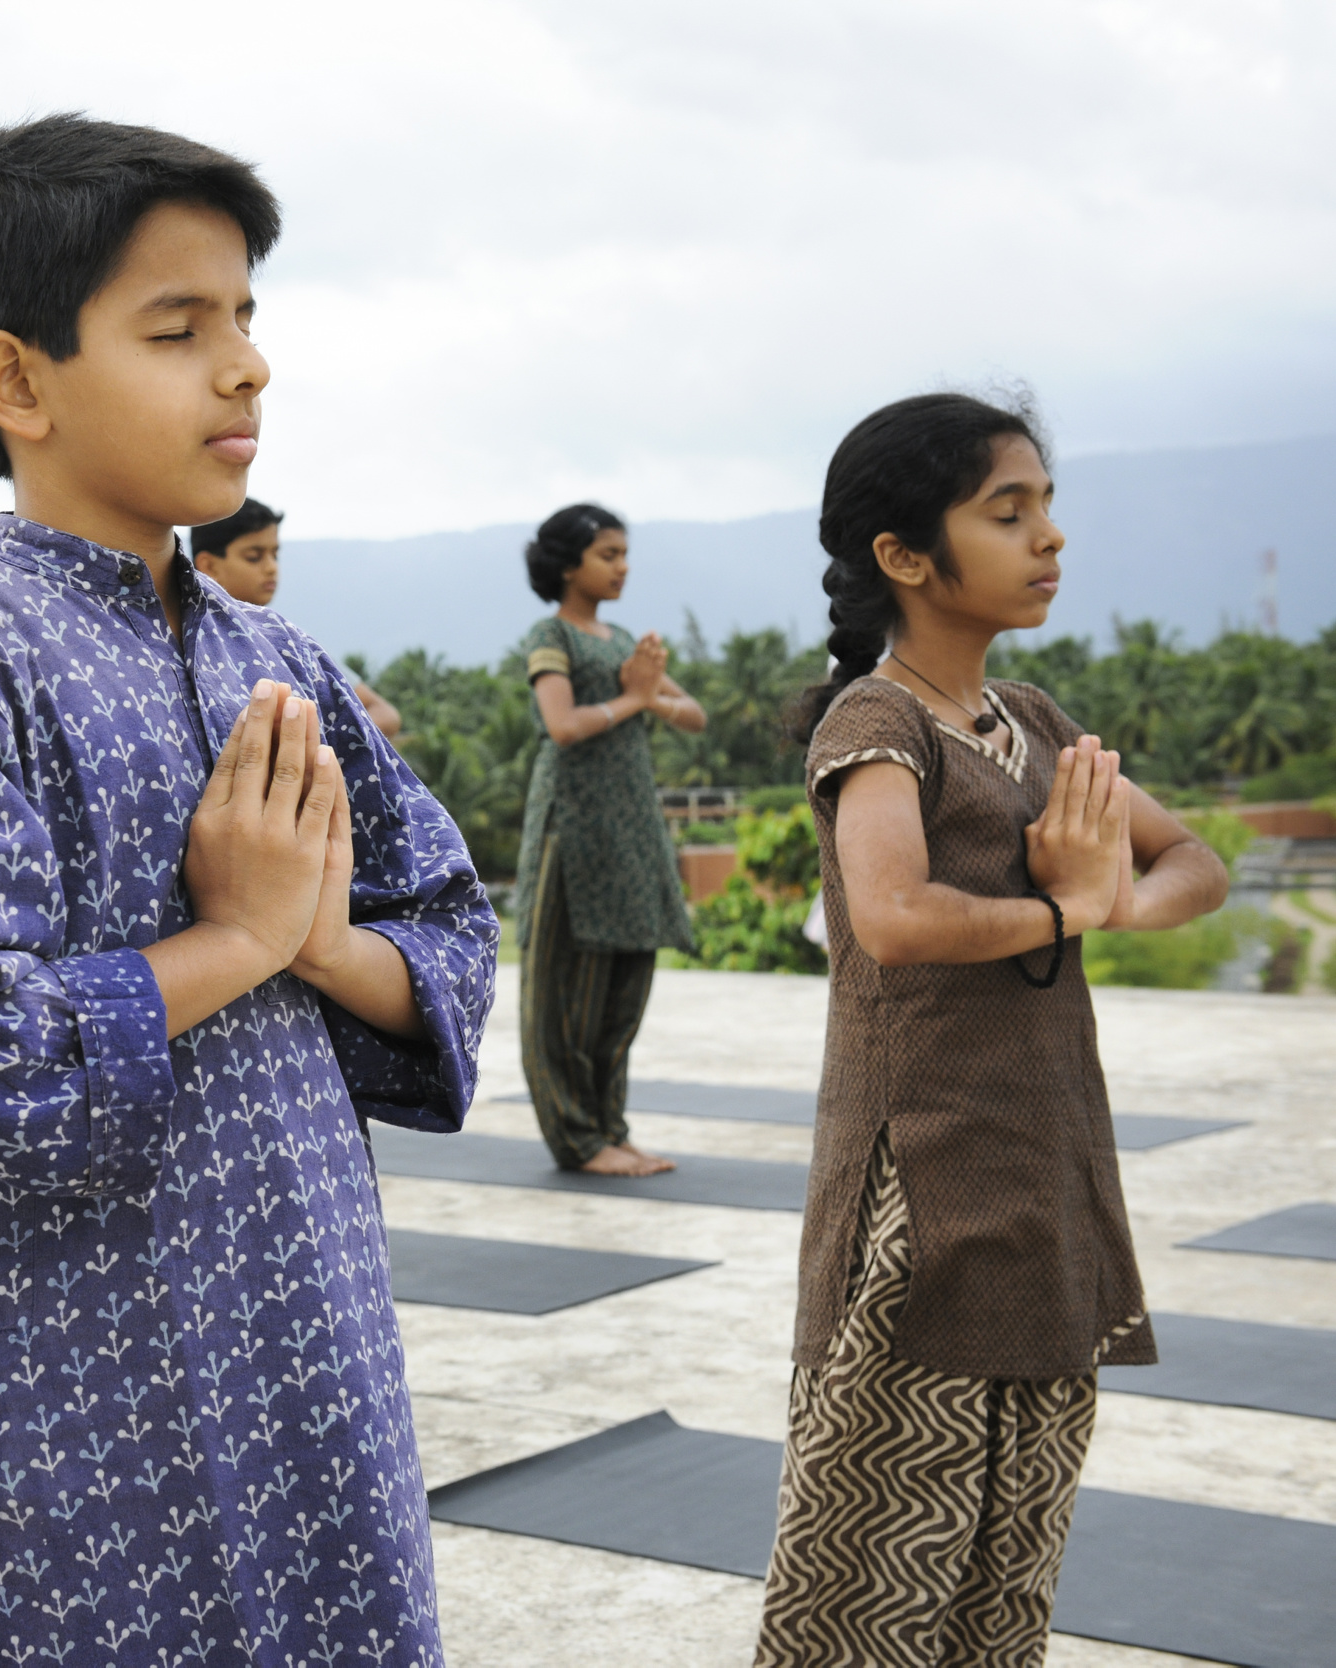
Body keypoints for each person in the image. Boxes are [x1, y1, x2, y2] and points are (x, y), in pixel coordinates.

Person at [0, 115, 499, 1665]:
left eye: (248, 318)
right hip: (74, 1396)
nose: (245, 367)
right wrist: (237, 940)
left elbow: (452, 934)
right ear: (17, 382)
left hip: (311, 1350)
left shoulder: (282, 661)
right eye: (178, 328)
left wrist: (322, 946)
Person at [755, 393, 1227, 1667]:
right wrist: (1056, 911)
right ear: (905, 557)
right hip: (921, 1192)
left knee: (1004, 1568)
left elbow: (1194, 861)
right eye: (1005, 512)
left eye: (1046, 506)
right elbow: (893, 914)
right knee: (868, 1582)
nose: (1047, 537)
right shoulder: (879, 722)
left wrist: (1106, 904)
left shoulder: (1031, 718)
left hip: (1041, 1174)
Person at [512, 503, 705, 1176]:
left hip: (631, 834)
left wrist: (649, 694)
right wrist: (636, 699)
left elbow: (696, 715)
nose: (622, 567)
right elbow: (561, 725)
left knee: (623, 991)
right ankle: (578, 1139)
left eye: (624, 555)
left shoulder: (623, 640)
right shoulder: (552, 635)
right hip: (574, 831)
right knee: (564, 997)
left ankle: (611, 1129)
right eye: (608, 555)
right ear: (570, 565)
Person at [191, 496, 404, 737]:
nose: (271, 567)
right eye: (254, 556)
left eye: (275, 554)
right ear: (208, 566)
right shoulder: (191, 643)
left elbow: (384, 713)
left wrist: (314, 750)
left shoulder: (284, 642)